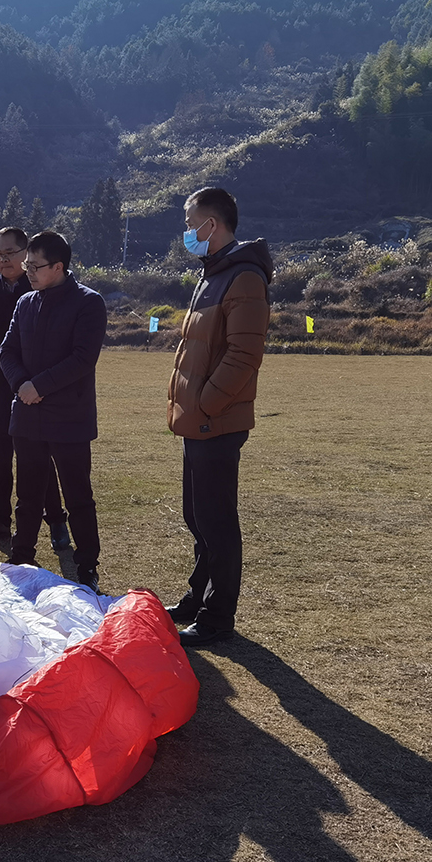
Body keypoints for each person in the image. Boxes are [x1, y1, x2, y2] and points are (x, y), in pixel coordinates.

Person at [164, 187, 272, 646]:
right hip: (197, 420)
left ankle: (216, 616)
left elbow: (244, 354)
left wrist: (206, 403)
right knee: (197, 515)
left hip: (216, 420)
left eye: (191, 223)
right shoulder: (213, 274)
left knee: (217, 519)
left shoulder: (243, 277)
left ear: (214, 223)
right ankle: (197, 596)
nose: (188, 232)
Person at [0, 230, 107, 589]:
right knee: (28, 494)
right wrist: (20, 386)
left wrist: (38, 386)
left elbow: (82, 359)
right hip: (27, 417)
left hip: (69, 418)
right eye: (26, 265)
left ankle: (87, 564)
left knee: (78, 495)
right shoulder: (25, 303)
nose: (27, 271)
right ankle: (22, 557)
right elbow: (6, 351)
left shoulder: (88, 303)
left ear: (58, 267)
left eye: (34, 266)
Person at [0, 226, 69, 552]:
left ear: (26, 256)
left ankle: (57, 522)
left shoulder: (40, 288)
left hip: (33, 387)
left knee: (38, 460)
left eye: (10, 253)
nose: (3, 259)